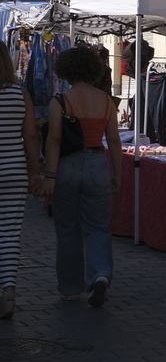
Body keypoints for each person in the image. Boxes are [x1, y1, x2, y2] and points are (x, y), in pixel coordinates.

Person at [43, 47, 121, 308]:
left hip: (68, 166)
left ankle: (69, 287)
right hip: (98, 164)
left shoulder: (60, 101)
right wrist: (117, 174)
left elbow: (54, 139)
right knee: (98, 226)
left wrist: (50, 175)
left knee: (67, 228)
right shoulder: (106, 101)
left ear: (65, 70)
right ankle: (100, 274)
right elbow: (114, 140)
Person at [0, 46, 42, 320]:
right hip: (14, 170)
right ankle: (8, 290)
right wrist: (35, 171)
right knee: (10, 232)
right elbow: (30, 136)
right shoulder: (20, 94)